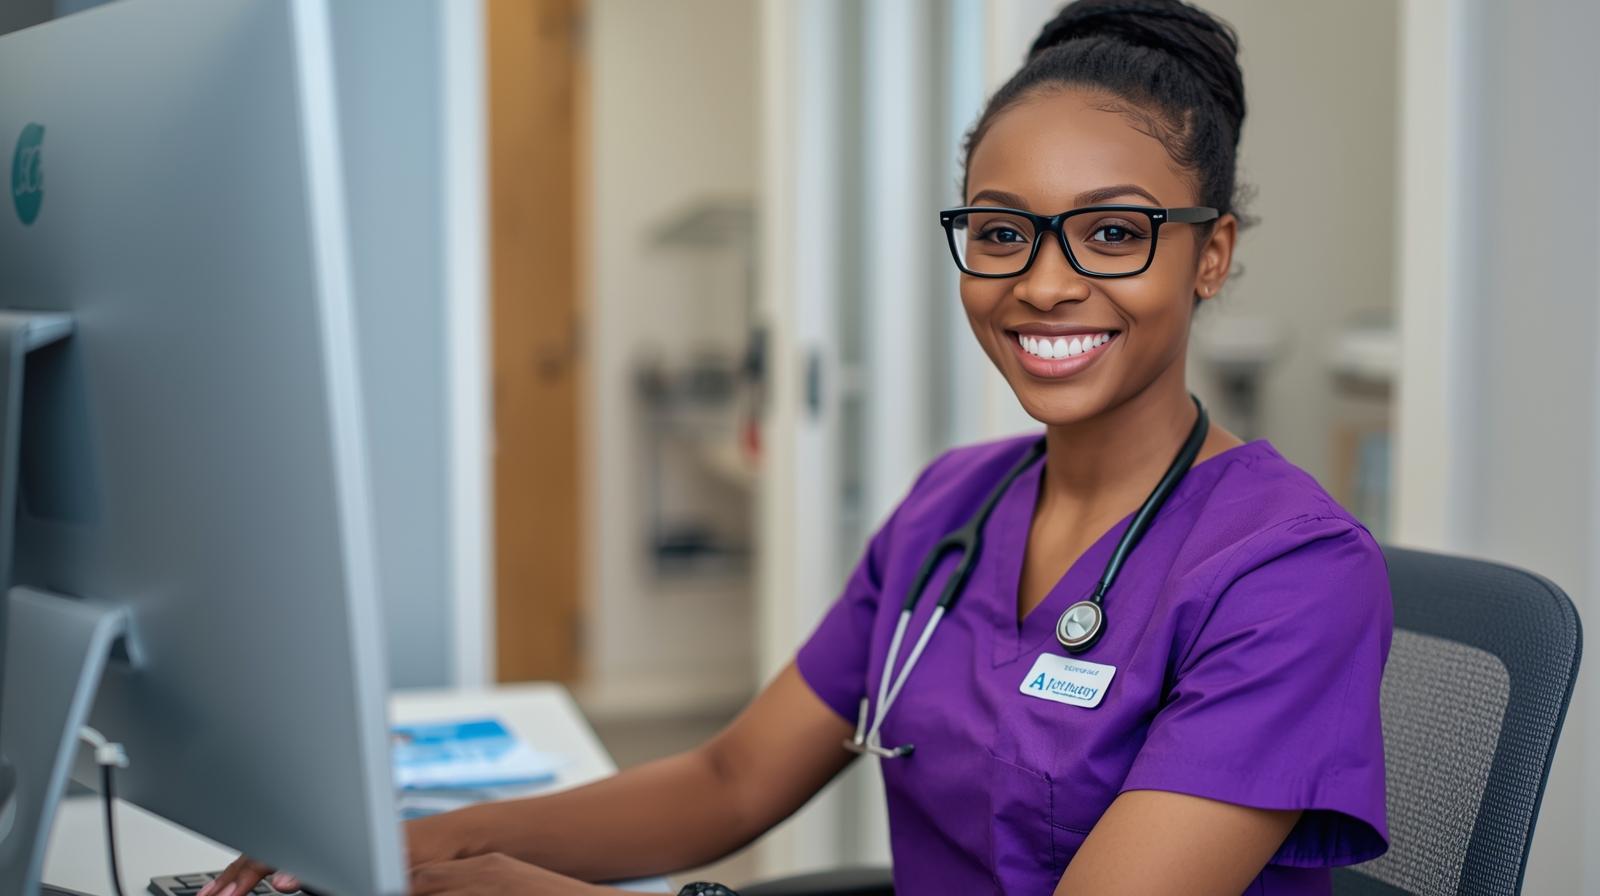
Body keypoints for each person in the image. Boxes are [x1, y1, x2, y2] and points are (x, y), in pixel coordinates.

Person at [208, 0, 1391, 893]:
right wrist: (410, 845)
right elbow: (729, 779)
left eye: (1113, 233)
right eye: (998, 231)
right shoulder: (953, 510)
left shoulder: (1289, 574)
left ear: (1212, 253)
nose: (1041, 282)